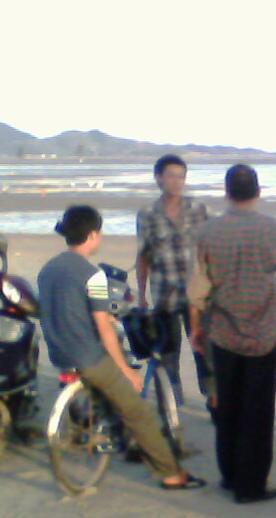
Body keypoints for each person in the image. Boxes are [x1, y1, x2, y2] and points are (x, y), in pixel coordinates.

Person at [38, 205, 203, 491]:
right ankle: (170, 474)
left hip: (59, 353)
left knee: (113, 392)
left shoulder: (48, 269)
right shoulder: (93, 275)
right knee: (139, 412)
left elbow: (65, 308)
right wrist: (127, 371)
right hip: (88, 356)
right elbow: (104, 329)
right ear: (92, 235)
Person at [189, 165, 276, 504]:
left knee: (229, 405)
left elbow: (198, 288)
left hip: (223, 327)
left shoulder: (207, 231)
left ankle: (231, 475)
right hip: (263, 328)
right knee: (257, 410)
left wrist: (196, 327)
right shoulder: (274, 228)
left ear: (227, 192)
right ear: (258, 192)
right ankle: (251, 484)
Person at [135, 154, 210, 408]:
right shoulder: (147, 214)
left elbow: (211, 246)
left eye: (181, 176)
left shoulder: (198, 209)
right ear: (158, 178)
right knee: (168, 355)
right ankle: (173, 407)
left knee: (203, 349)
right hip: (164, 294)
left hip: (196, 294)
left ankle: (213, 401)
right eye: (171, 176)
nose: (177, 182)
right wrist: (141, 295)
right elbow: (143, 255)